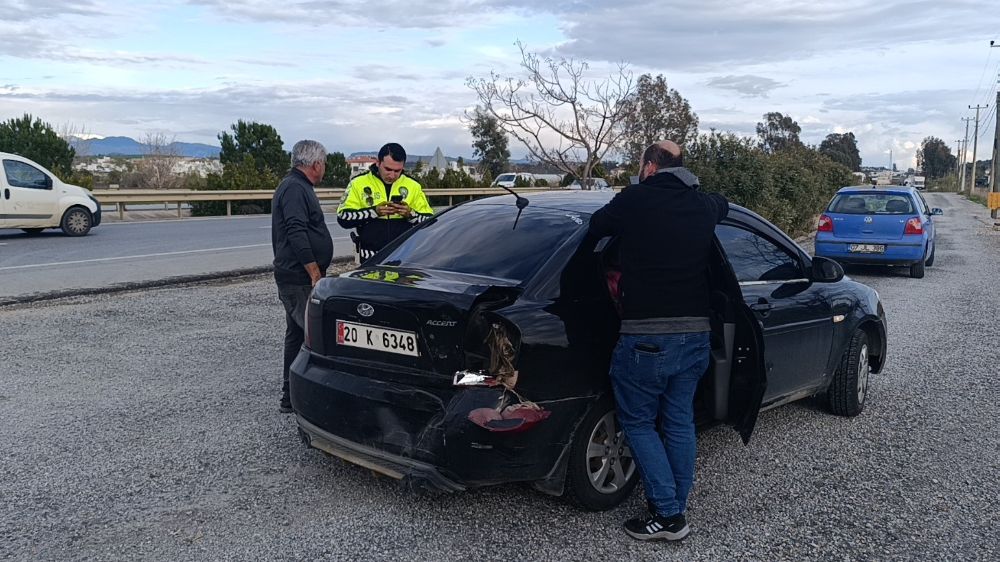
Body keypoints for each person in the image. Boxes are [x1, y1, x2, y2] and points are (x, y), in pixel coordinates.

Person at [588, 140, 729, 542]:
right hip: (696, 335)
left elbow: (597, 227)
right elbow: (723, 205)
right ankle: (674, 506)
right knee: (679, 420)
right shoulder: (703, 205)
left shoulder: (634, 200)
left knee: (637, 421)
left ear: (650, 166)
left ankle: (668, 516)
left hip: (648, 336)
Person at [271, 140, 334, 413]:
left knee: (296, 336)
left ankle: (290, 396)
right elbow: (296, 232)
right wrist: (314, 271)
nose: (324, 170)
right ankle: (313, 400)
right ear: (316, 164)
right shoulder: (295, 189)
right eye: (324, 164)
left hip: (296, 277)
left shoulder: (297, 186)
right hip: (298, 278)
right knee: (315, 336)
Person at [337, 143, 433, 261]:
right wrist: (374, 212)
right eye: (388, 169)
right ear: (378, 163)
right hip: (370, 258)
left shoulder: (413, 186)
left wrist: (411, 214)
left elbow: (430, 222)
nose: (392, 175)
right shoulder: (358, 183)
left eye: (397, 171)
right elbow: (343, 218)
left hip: (404, 258)